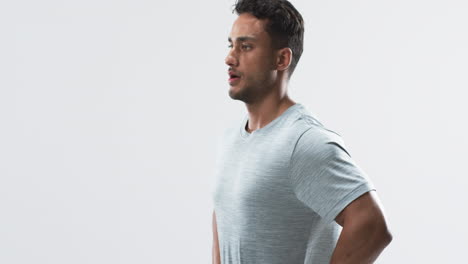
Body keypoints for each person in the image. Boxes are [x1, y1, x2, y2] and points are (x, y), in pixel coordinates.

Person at [211, 0, 393, 263]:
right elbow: (223, 219)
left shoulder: (304, 142)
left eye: (246, 46)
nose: (230, 58)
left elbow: (372, 226)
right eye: (231, 45)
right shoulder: (231, 139)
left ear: (282, 58)